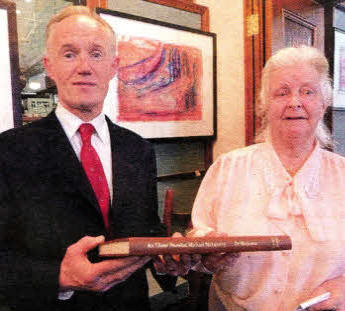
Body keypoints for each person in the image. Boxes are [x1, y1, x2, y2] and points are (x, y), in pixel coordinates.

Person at [0, 6, 165, 311]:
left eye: (96, 53)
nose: (85, 67)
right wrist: (58, 277)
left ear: (113, 66)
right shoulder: (9, 151)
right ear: (49, 66)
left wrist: (173, 258)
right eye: (69, 54)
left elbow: (147, 230)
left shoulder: (139, 149)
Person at [187, 46, 345, 311]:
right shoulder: (228, 168)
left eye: (308, 91)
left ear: (323, 103)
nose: (295, 101)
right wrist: (206, 253)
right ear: (263, 104)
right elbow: (198, 241)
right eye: (281, 93)